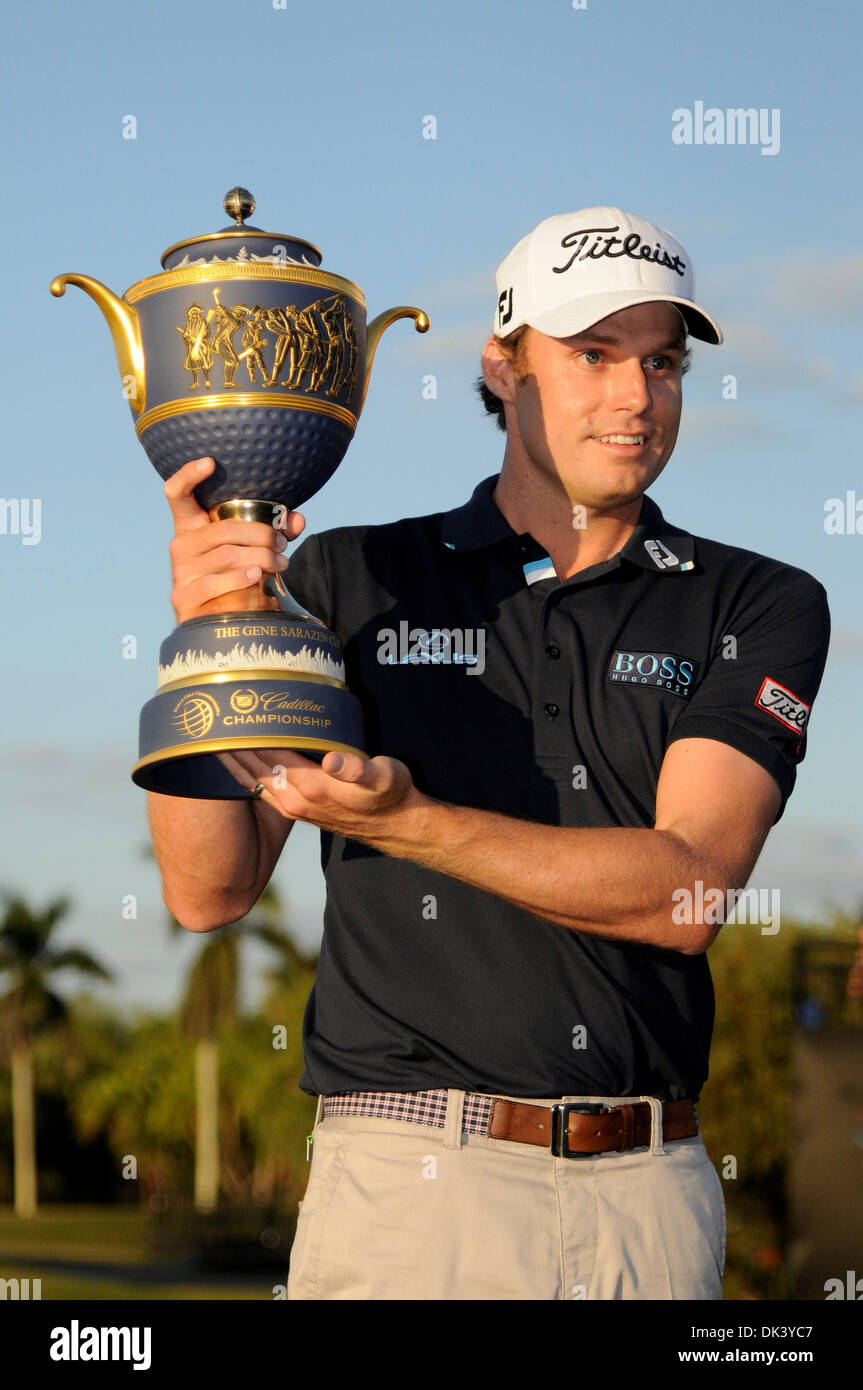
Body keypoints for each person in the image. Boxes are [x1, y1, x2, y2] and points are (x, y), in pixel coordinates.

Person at [148, 206, 831, 1300]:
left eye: (660, 361)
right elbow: (205, 886)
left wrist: (405, 824)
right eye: (591, 355)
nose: (633, 396)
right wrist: (212, 634)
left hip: (646, 1198)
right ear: (501, 366)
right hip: (410, 1191)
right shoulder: (349, 580)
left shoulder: (757, 600)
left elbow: (688, 889)